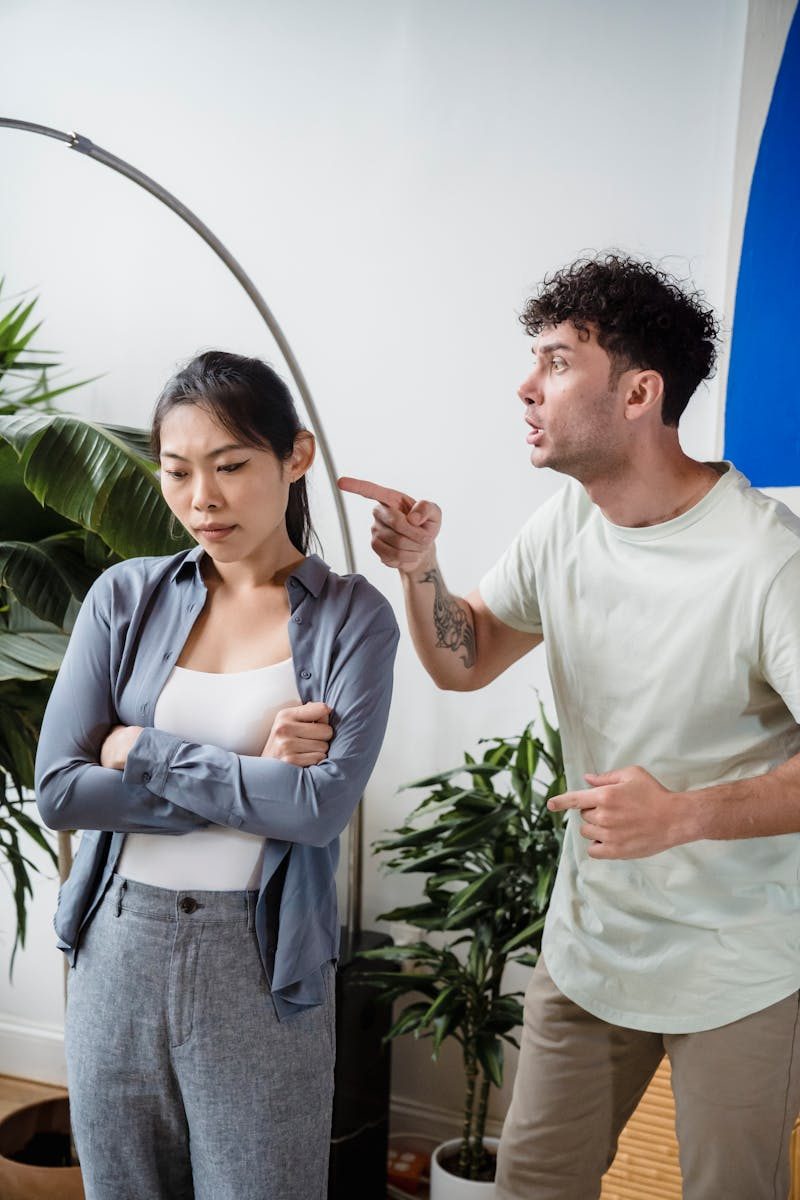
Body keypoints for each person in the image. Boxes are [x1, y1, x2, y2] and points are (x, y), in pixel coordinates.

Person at [338, 253, 800, 1200]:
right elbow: (465, 660)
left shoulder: (767, 562)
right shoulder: (565, 527)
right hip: (590, 947)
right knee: (531, 1191)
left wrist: (687, 816)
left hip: (740, 965)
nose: (525, 386)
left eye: (554, 362)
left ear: (639, 392)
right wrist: (421, 568)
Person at [34, 350, 399, 1200]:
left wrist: (148, 751)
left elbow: (316, 810)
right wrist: (248, 784)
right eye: (178, 471)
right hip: (115, 949)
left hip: (260, 964)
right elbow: (60, 789)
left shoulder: (354, 618)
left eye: (232, 466)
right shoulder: (123, 597)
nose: (203, 498)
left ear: (295, 457)